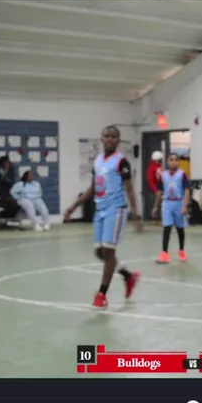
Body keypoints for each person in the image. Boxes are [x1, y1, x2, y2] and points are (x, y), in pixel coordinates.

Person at [62, 126, 141, 309]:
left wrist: (136, 215)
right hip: (100, 210)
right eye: (107, 136)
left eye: (114, 136)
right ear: (102, 139)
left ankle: (101, 294)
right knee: (99, 252)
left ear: (118, 140)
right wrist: (73, 207)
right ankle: (128, 276)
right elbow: (92, 188)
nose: (110, 139)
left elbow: (129, 189)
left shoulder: (121, 162)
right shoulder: (97, 161)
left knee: (108, 252)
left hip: (116, 210)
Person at [153, 152, 190, 263]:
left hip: (179, 203)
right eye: (171, 160)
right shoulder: (163, 175)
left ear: (179, 162)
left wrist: (185, 206)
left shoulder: (182, 175)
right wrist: (156, 206)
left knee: (180, 228)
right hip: (167, 203)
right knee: (167, 227)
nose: (173, 162)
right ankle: (164, 253)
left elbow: (187, 190)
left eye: (176, 160)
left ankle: (181, 250)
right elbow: (159, 191)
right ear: (167, 162)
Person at [145, 150, 164, 225]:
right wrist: (155, 190)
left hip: (161, 187)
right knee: (156, 204)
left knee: (163, 203)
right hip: (155, 188)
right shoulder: (151, 168)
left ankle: (164, 218)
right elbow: (150, 181)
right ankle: (155, 218)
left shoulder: (160, 166)